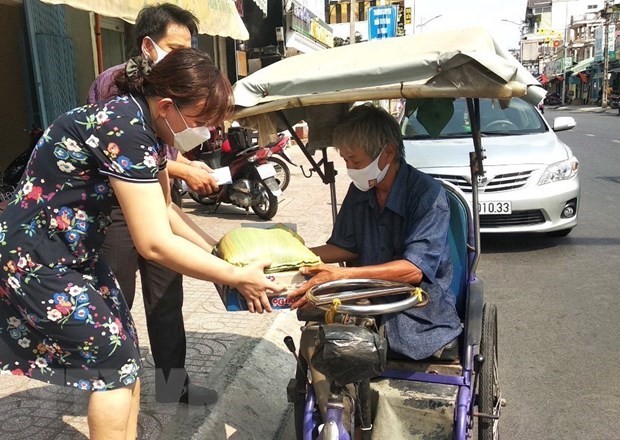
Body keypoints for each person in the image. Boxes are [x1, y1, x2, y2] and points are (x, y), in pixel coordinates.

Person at [0, 48, 283, 439]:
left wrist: (221, 252)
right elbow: (153, 243)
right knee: (111, 365)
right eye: (200, 121)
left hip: (75, 255)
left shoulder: (144, 127)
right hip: (37, 258)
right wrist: (233, 277)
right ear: (167, 106)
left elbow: (165, 209)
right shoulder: (125, 127)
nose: (204, 134)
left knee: (124, 356)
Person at [288, 103, 462, 420]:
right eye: (345, 160)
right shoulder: (361, 190)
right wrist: (292, 255)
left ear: (387, 153)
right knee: (315, 335)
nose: (350, 168)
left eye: (354, 160)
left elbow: (413, 270)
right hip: (366, 306)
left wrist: (339, 276)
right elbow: (343, 246)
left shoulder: (427, 195)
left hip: (418, 317)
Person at [87, 4, 220, 406]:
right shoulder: (114, 85)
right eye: (175, 47)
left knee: (166, 302)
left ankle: (171, 387)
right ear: (148, 46)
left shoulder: (171, 86)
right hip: (116, 210)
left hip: (157, 197)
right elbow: (126, 152)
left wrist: (181, 166)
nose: (184, 57)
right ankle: (106, 387)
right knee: (114, 301)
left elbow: (163, 152)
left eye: (189, 49)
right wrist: (182, 170)